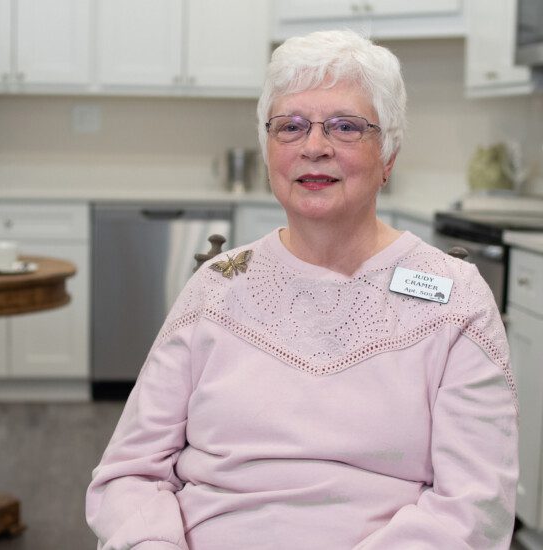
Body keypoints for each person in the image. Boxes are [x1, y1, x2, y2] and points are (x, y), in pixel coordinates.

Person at [86, 29, 518, 549]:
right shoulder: (218, 287)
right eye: (290, 126)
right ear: (269, 151)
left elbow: (474, 505)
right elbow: (130, 472)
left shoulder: (456, 300)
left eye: (345, 127)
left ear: (389, 155)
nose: (315, 147)